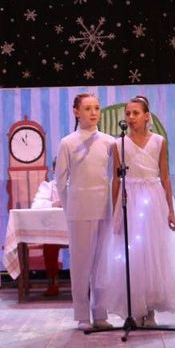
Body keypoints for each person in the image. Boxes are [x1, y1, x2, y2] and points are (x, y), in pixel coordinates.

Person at [96, 95, 175, 325]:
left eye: (136, 113)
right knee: (134, 255)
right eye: (128, 113)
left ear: (147, 116)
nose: (131, 117)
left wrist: (170, 210)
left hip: (153, 199)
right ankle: (136, 308)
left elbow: (165, 177)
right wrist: (116, 210)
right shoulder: (119, 144)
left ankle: (150, 310)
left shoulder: (158, 141)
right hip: (130, 199)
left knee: (154, 253)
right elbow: (116, 180)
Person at [55, 93, 116, 330]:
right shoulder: (68, 142)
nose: (93, 113)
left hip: (104, 208)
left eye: (96, 108)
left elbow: (113, 177)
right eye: (88, 108)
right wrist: (70, 206)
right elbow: (61, 181)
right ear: (76, 112)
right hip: (79, 210)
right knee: (81, 264)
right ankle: (82, 315)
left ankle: (100, 313)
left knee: (102, 264)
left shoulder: (109, 142)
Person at [29, 165, 64, 298]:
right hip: (54, 230)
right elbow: (36, 206)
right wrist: (54, 204)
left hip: (76, 229)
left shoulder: (77, 184)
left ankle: (84, 283)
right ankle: (53, 283)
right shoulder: (48, 187)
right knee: (50, 243)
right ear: (54, 170)